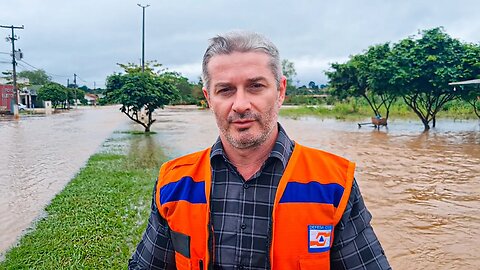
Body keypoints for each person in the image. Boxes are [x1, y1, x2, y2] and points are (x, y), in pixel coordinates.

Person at [129, 31, 391, 270]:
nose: (241, 104)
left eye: (256, 86)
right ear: (209, 98)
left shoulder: (333, 183)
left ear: (280, 91)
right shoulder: (174, 183)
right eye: (225, 90)